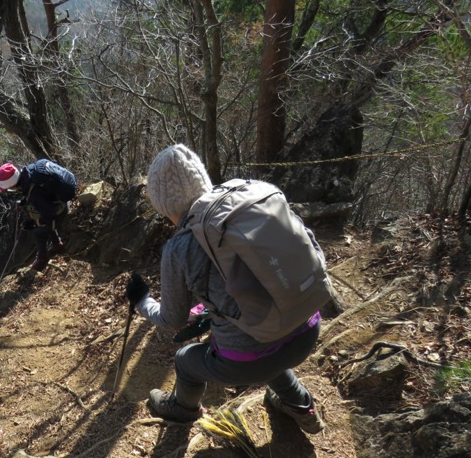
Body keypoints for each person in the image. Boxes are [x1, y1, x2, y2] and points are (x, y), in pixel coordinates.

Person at [125, 144, 325, 434]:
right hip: (307, 327)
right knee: (268, 334)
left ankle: (183, 409)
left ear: (162, 204)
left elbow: (172, 321)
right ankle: (302, 407)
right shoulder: (249, 201)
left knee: (185, 360)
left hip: (248, 361)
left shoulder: (179, 248)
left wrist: (143, 300)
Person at [0, 160, 74, 272]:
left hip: (60, 207)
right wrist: (23, 202)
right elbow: (40, 193)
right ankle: (57, 245)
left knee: (39, 232)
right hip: (58, 199)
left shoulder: (33, 191)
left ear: (12, 185)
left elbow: (49, 214)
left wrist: (33, 224)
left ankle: (42, 259)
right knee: (40, 216)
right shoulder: (29, 172)